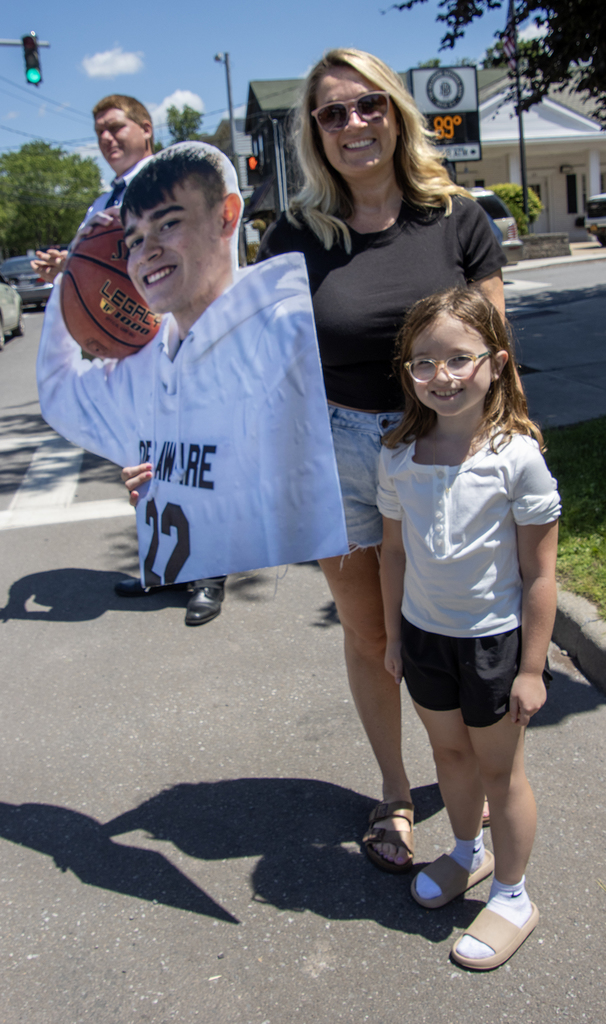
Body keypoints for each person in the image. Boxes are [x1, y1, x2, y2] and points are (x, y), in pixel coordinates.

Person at [252, 48, 508, 871]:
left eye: (367, 106)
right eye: (332, 113)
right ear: (314, 133)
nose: (353, 124)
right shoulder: (293, 235)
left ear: (395, 112)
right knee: (371, 636)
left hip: (442, 452)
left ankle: (478, 784)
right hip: (335, 457)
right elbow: (253, 364)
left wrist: (505, 457)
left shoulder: (458, 218)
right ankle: (396, 796)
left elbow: (496, 353)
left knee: (460, 627)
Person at [37, 143, 347, 590]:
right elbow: (58, 388)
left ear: (226, 216)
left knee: (371, 636)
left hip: (346, 561)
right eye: (134, 240)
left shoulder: (285, 332)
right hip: (189, 563)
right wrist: (70, 276)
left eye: (169, 223)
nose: (147, 251)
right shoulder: (145, 362)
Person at [379, 288, 560, 969]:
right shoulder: (397, 455)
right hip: (426, 641)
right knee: (449, 759)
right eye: (423, 363)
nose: (442, 376)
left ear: (497, 363)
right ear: (407, 374)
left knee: (500, 771)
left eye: (459, 358)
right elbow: (393, 553)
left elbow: (540, 575)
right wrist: (396, 638)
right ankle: (466, 853)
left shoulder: (517, 458)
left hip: (494, 645)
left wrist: (533, 668)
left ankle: (513, 895)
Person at [33, 97, 227, 625]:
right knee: (144, 463)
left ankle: (209, 574)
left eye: (117, 127)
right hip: (128, 355)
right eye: (99, 130)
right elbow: (98, 274)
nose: (107, 138)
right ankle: (164, 563)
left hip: (174, 339)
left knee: (190, 456)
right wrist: (68, 270)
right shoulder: (103, 200)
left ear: (146, 129)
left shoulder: (169, 187)